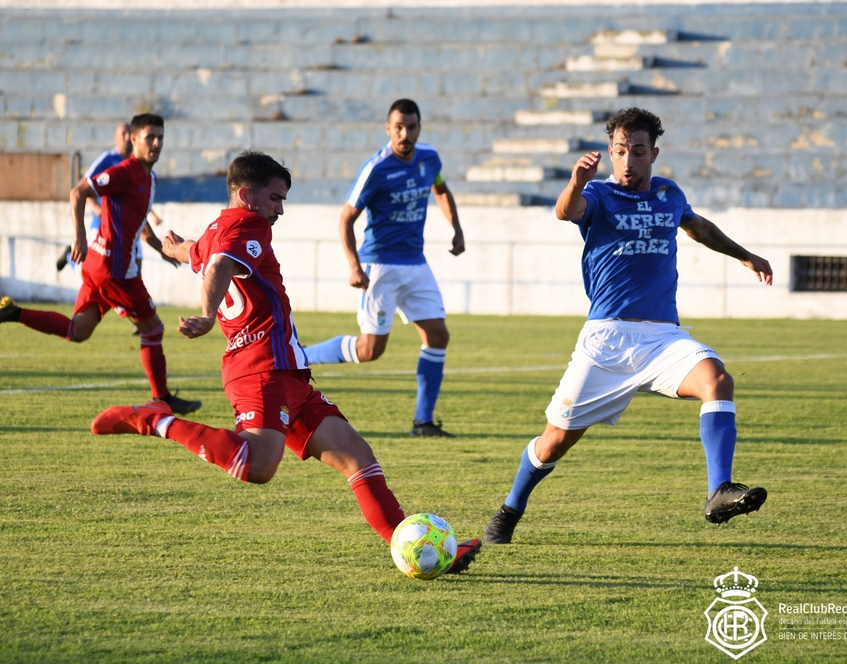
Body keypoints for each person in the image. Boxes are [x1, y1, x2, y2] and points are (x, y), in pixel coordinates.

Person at [89, 151, 481, 571]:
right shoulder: (248, 225)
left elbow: (198, 253)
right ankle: (154, 419)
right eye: (276, 198)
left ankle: (416, 546)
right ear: (247, 195)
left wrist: (175, 248)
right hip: (258, 367)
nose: (280, 209)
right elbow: (219, 265)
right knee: (258, 466)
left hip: (286, 371)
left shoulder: (217, 229)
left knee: (358, 458)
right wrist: (206, 312)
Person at [483, 107, 774, 545]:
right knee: (554, 442)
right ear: (611, 153)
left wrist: (745, 255)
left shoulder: (669, 194)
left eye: (637, 151)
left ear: (653, 154)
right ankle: (508, 512)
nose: (627, 160)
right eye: (620, 151)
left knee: (717, 380)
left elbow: (696, 226)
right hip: (606, 341)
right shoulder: (598, 195)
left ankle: (719, 490)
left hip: (662, 338)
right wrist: (576, 182)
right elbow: (566, 212)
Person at [0, 113, 199, 415]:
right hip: (114, 270)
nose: (157, 143)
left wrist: (159, 247)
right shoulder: (124, 172)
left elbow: (138, 216)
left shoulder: (149, 177)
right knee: (153, 329)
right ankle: (162, 399)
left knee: (78, 331)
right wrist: (78, 237)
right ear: (133, 139)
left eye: (160, 137)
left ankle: (13, 312)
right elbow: (78, 192)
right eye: (150, 137)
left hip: (100, 266)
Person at [301, 99, 465, 438]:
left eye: (412, 127)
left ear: (420, 127)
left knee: (438, 335)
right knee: (369, 351)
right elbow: (346, 218)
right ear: (388, 129)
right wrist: (354, 267)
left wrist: (457, 229)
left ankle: (423, 422)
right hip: (381, 268)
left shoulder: (430, 158)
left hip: (416, 265)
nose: (405, 134)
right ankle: (299, 355)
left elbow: (441, 189)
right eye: (399, 127)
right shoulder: (376, 169)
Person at [57, 122, 164, 279]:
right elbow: (81, 187)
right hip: (104, 221)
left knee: (136, 262)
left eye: (129, 134)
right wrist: (96, 208)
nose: (127, 138)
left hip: (128, 224)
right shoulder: (108, 159)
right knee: (90, 271)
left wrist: (153, 216)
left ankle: (127, 299)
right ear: (115, 139)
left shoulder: (137, 165)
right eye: (123, 134)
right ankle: (70, 257)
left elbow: (138, 197)